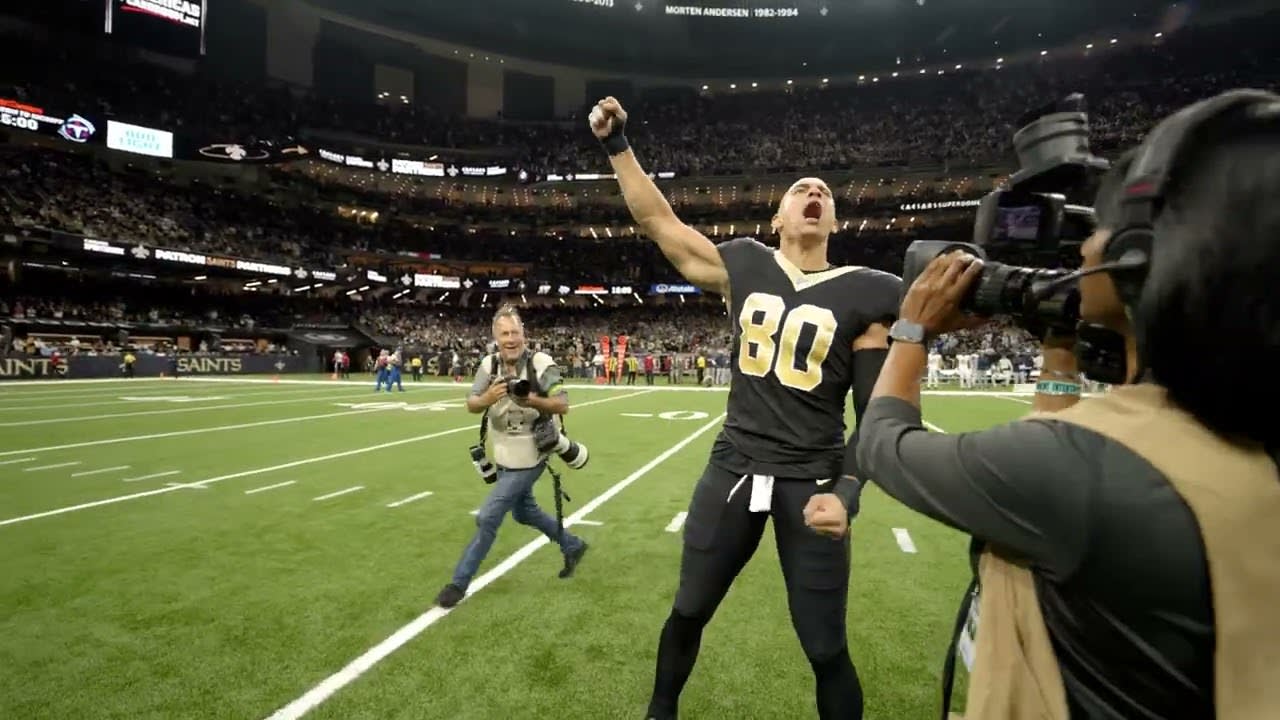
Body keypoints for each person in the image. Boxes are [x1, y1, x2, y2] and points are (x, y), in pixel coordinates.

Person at [854, 90, 1280, 719]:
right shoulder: (1234, 436)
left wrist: (913, 329)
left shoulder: (1089, 472)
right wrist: (1059, 349)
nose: (1081, 252)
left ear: (1140, 256)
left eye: (1098, 233)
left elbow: (882, 443)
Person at [589, 96, 902, 720]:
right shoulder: (744, 265)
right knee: (688, 607)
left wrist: (848, 492)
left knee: (825, 645)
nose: (814, 191)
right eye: (800, 188)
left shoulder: (869, 293)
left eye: (824, 192)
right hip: (734, 466)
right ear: (778, 215)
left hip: (811, 476)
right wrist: (618, 148)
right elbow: (661, 223)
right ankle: (660, 711)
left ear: (833, 221)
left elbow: (874, 417)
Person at [435, 306, 589, 609]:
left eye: (515, 332)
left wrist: (529, 398)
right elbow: (471, 403)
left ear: (524, 334)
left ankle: (458, 583)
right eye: (504, 333)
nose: (510, 339)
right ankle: (573, 545)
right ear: (495, 337)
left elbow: (563, 404)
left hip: (533, 451)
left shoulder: (541, 363)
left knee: (488, 516)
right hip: (503, 450)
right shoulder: (488, 365)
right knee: (523, 512)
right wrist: (487, 398)